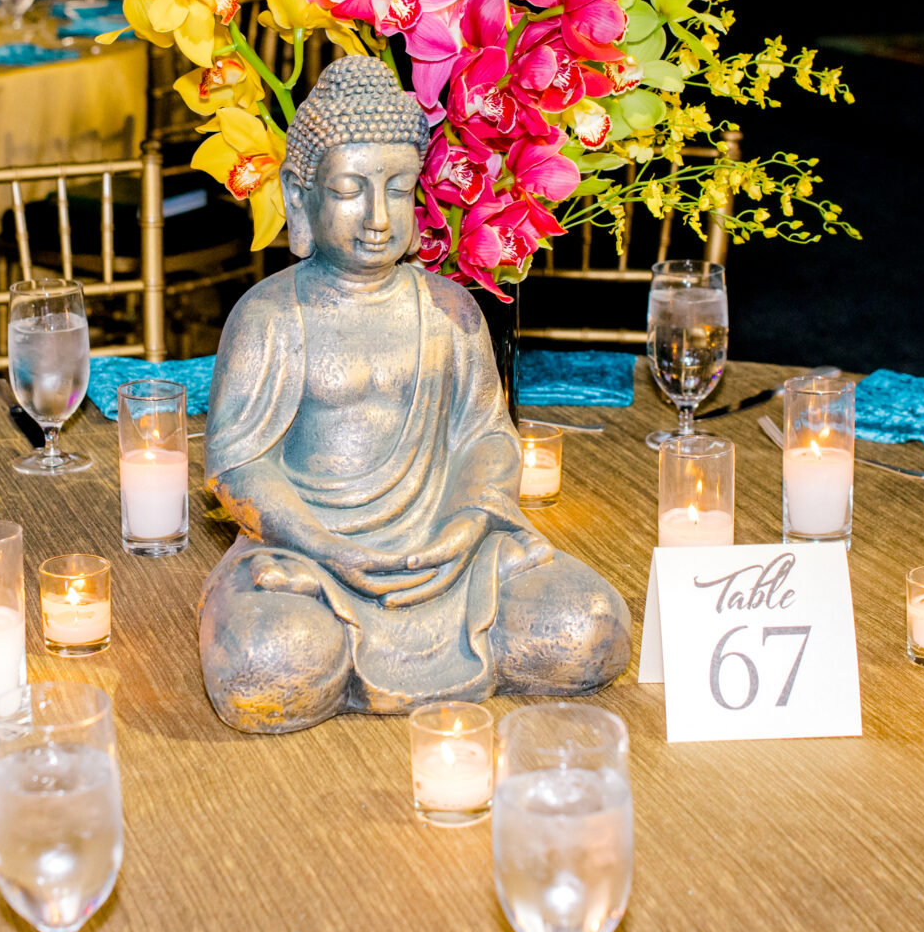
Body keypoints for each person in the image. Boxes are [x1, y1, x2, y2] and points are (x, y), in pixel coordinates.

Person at [198, 57, 631, 732]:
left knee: (589, 626)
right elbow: (238, 465)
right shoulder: (270, 315)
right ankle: (325, 646)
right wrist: (326, 547)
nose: (377, 216)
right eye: (350, 189)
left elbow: (486, 436)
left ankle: (420, 642)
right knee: (269, 661)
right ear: (299, 197)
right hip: (309, 558)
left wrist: (466, 523)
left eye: (398, 189)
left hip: (448, 556)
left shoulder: (449, 309)